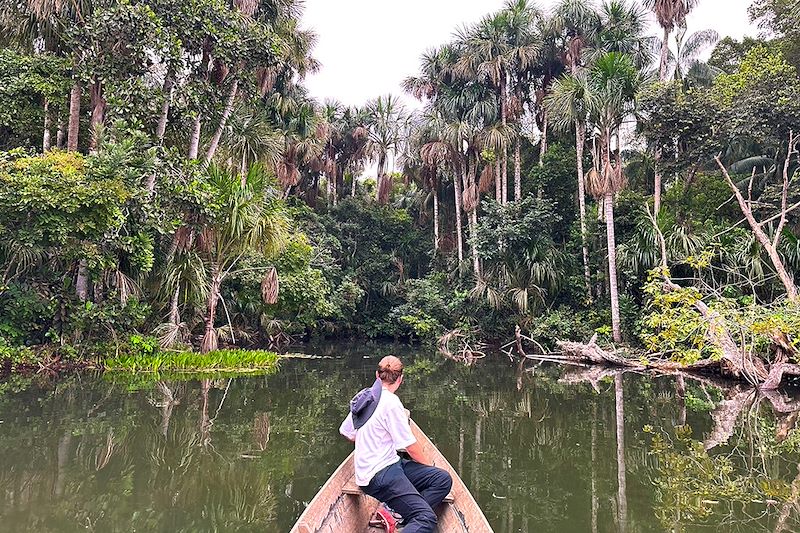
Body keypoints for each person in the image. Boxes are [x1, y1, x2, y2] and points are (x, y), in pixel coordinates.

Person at [339, 355, 452, 533]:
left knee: (442, 479)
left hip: (387, 465)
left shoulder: (366, 396)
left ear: (377, 375)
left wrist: (369, 437)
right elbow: (411, 447)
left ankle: (396, 515)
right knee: (427, 519)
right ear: (400, 379)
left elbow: (347, 432)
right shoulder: (392, 403)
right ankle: (415, 517)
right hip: (380, 475)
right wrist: (428, 466)